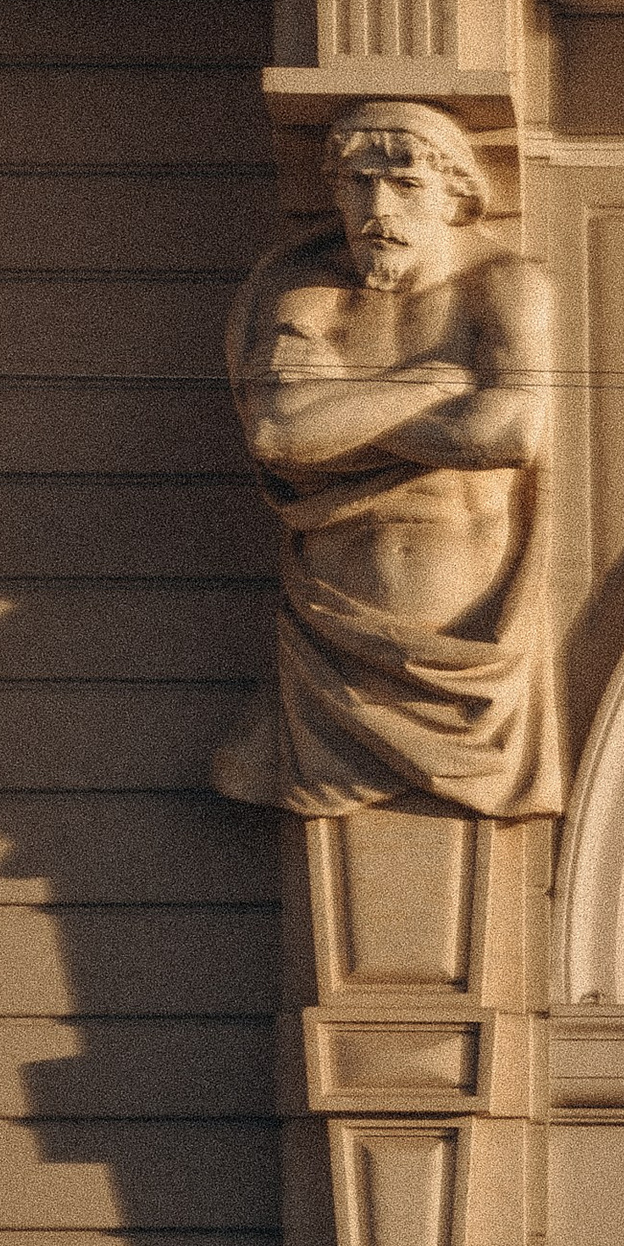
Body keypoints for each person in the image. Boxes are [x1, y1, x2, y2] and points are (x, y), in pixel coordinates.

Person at [215, 96, 562, 821]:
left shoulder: (502, 287)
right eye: (357, 183)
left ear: (456, 193)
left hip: (475, 672)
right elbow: (279, 434)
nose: (377, 207)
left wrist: (344, 408)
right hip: (327, 659)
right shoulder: (309, 294)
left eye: (405, 185)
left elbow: (507, 432)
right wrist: (428, 381)